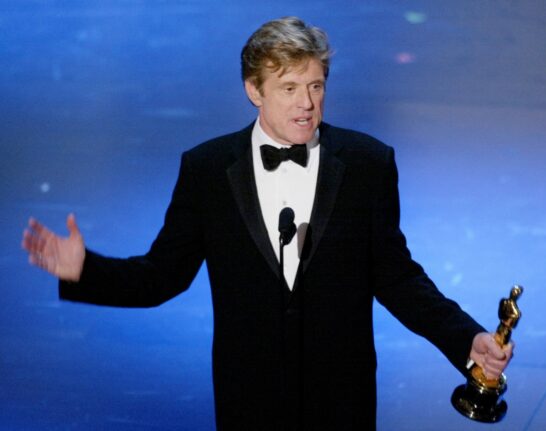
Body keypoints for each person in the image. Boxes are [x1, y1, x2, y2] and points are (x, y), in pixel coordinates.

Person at [22, 16, 514, 431]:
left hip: (340, 401)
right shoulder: (208, 170)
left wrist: (465, 339)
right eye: (289, 88)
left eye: (316, 86)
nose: (307, 103)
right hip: (250, 401)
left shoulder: (367, 164)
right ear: (254, 90)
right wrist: (85, 269)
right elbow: (162, 276)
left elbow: (397, 277)